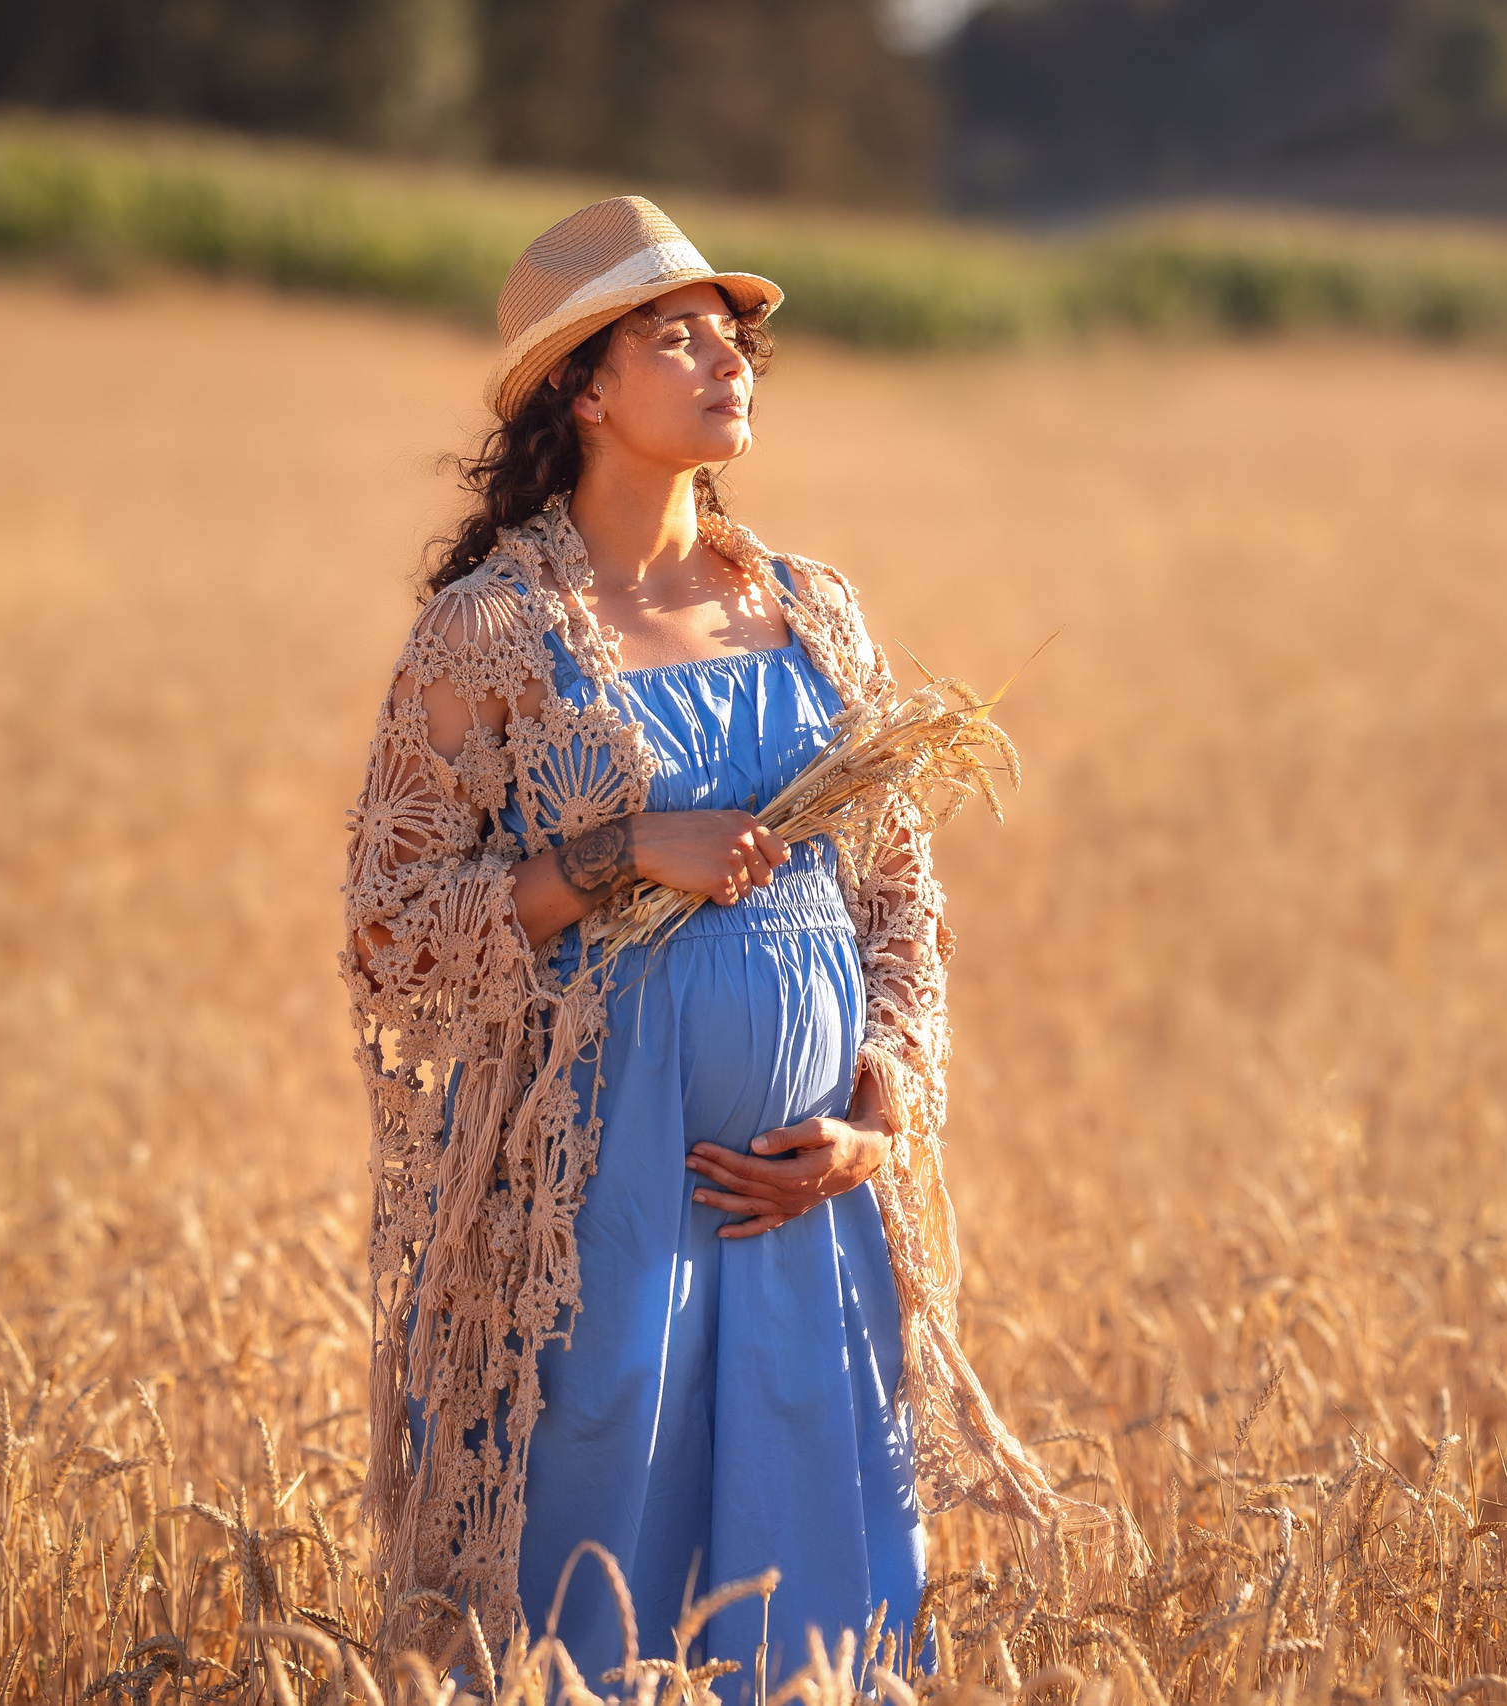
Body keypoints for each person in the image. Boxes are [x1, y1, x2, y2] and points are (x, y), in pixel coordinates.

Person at [338, 197, 1060, 1688]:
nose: (726, 360)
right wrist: (612, 854)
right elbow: (394, 933)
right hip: (597, 1195)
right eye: (676, 337)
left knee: (818, 1580)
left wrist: (876, 1112)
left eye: (734, 337)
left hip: (802, 1206)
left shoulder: (813, 610)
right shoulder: (490, 633)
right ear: (584, 389)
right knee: (597, 1553)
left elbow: (899, 903)